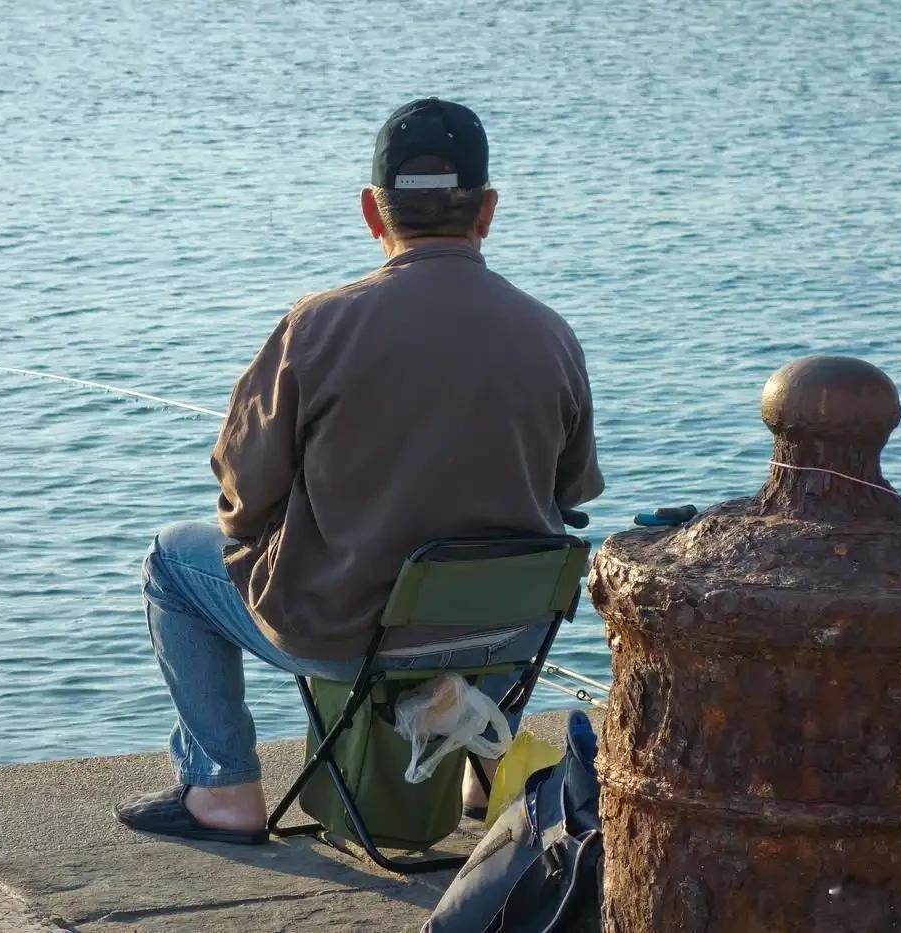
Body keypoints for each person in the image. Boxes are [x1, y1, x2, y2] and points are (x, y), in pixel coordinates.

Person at [114, 97, 603, 844]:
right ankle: (479, 762)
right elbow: (572, 495)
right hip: (505, 636)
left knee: (169, 562)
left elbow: (241, 499)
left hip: (349, 632)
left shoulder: (318, 325)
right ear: (488, 211)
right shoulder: (552, 334)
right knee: (516, 561)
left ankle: (224, 787)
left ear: (373, 214)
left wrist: (288, 524)